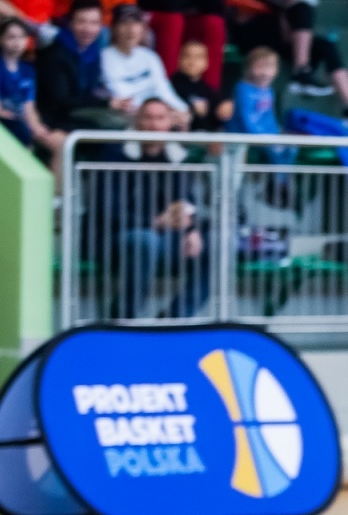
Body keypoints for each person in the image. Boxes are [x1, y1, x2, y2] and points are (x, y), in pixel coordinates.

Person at [99, 99, 210, 319]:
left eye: (160, 118)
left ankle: (173, 319)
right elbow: (107, 211)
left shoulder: (177, 157)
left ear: (169, 123)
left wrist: (192, 230)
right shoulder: (114, 155)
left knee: (214, 244)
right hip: (120, 237)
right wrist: (155, 222)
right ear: (136, 121)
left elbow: (186, 202)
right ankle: (123, 320)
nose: (154, 124)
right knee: (145, 241)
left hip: (168, 238)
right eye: (148, 117)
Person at [225, 0, 348, 128]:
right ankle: (300, 71)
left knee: (325, 45)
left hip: (281, 32)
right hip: (250, 29)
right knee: (301, 8)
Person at [0, 17, 68, 168]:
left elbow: (29, 107)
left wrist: (38, 129)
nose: (17, 43)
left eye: (22, 37)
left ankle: (57, 191)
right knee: (21, 132)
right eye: (11, 37)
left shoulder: (28, 70)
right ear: (0, 40)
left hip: (24, 123)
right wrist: (24, 125)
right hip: (3, 125)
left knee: (62, 142)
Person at [37, 0, 126, 132]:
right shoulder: (56, 54)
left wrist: (110, 99)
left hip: (80, 110)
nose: (88, 29)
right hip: (58, 117)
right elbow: (62, 101)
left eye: (94, 23)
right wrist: (106, 103)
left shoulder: (93, 53)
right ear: (71, 22)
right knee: (116, 123)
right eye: (82, 22)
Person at [102, 4, 188, 121]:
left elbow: (164, 89)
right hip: (129, 117)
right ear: (114, 28)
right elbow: (123, 96)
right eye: (124, 23)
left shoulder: (150, 56)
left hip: (159, 114)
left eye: (136, 23)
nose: (131, 29)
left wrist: (182, 110)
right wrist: (160, 113)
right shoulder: (105, 58)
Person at [138, 0, 224, 94]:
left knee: (214, 23)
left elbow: (215, 6)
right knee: (173, 20)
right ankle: (167, 91)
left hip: (188, 10)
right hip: (153, 9)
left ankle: (210, 95)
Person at [169, 38, 232, 132]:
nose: (192, 61)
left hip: (205, 139)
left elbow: (217, 119)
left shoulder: (209, 90)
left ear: (206, 62)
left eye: (198, 57)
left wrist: (225, 108)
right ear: (179, 59)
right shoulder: (169, 86)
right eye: (187, 56)